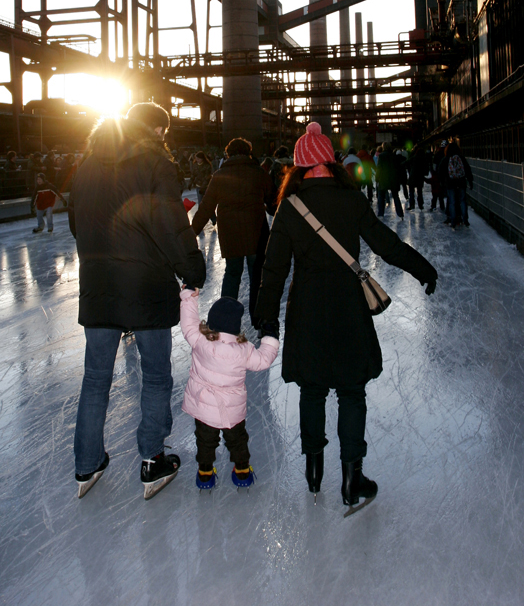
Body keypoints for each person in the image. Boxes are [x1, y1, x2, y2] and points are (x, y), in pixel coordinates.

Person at [254, 121, 438, 512]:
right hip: (349, 310)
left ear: (300, 166)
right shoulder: (351, 198)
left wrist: (265, 318)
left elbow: (273, 270)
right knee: (353, 392)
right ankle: (353, 478)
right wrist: (424, 269)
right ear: (330, 161)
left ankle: (314, 472)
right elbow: (387, 245)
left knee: (312, 390)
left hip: (307, 311)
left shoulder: (290, 206)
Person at [69, 102, 206, 500]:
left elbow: (76, 224)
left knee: (95, 377)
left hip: (99, 284)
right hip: (145, 283)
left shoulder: (87, 165)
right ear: (156, 131)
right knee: (156, 374)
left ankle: (86, 463)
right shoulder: (154, 164)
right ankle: (151, 459)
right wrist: (191, 268)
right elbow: (169, 223)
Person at [179, 291, 279, 490]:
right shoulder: (244, 351)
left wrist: (189, 295)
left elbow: (188, 322)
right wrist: (270, 336)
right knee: (238, 441)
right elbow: (264, 360)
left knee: (205, 441)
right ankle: (242, 471)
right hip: (231, 411)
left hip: (203, 408)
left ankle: (205, 473)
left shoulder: (199, 340)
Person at [191, 137, 274, 302]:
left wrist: (191, 232)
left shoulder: (219, 176)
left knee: (232, 273)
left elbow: (206, 207)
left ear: (228, 155)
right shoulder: (259, 173)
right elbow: (273, 202)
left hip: (230, 234)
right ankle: (258, 319)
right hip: (256, 235)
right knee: (257, 276)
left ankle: (225, 318)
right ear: (248, 153)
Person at [441, 141, 473, 228]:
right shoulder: (461, 158)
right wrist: (470, 181)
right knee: (462, 201)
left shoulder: (446, 159)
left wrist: (442, 183)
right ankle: (465, 219)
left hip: (450, 183)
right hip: (461, 183)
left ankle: (453, 220)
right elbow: (468, 170)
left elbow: (441, 172)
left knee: (452, 202)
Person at [375, 144, 404, 219]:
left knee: (381, 196)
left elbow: (379, 168)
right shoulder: (394, 156)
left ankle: (381, 213)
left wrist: (377, 178)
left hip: (384, 178)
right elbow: (398, 168)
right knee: (395, 196)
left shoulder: (381, 156)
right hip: (393, 179)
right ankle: (400, 213)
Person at [192, 151, 215, 226]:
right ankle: (200, 222)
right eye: (196, 158)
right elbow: (193, 174)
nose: (197, 160)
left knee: (207, 204)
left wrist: (203, 187)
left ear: (202, 159)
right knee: (200, 205)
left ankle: (213, 218)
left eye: (198, 158)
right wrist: (191, 182)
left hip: (206, 187)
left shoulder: (207, 166)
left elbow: (207, 178)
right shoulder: (195, 165)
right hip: (198, 186)